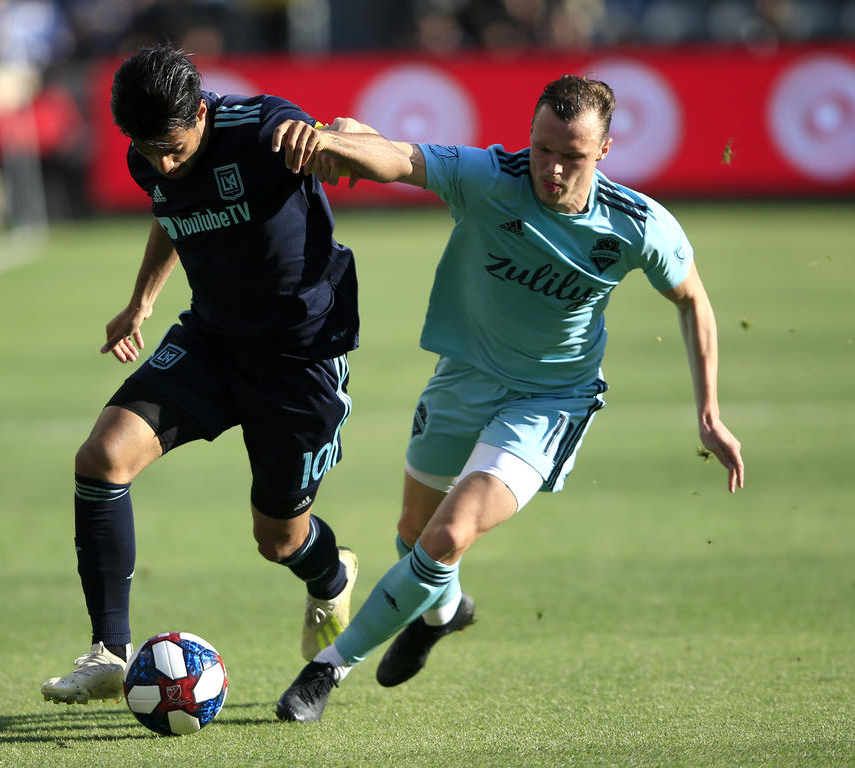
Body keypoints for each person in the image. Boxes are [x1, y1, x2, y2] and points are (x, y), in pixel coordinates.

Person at [270, 74, 745, 722]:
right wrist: (332, 140)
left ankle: (327, 670)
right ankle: (442, 613)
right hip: (465, 376)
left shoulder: (636, 225)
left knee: (449, 534)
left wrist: (709, 412)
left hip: (550, 402)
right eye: (542, 147)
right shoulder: (492, 177)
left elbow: (692, 297)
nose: (550, 168)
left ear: (603, 151)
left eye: (571, 156)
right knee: (416, 535)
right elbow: (404, 159)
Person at [40, 43, 400, 705]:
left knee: (278, 539)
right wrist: (142, 302)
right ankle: (109, 652)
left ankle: (330, 577)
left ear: (202, 113)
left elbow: (383, 156)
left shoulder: (265, 132)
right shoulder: (147, 154)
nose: (163, 163)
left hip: (300, 359)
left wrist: (341, 135)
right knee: (100, 459)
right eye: (149, 151)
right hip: (213, 340)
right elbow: (173, 212)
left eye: (174, 147)